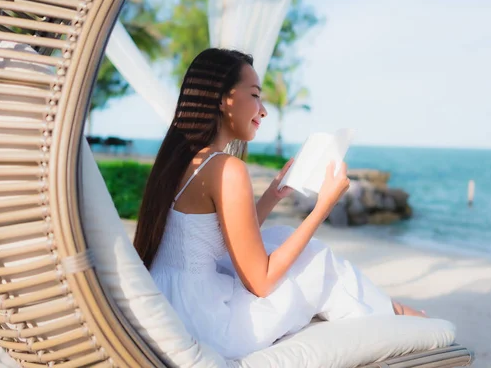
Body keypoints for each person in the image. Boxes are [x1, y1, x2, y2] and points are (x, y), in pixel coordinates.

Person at [133, 48, 425, 359]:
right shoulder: (226, 168)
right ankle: (397, 319)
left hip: (175, 306)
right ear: (224, 100)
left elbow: (209, 239)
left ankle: (393, 312)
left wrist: (272, 195)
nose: (263, 110)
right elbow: (260, 282)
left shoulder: (182, 161)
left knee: (280, 237)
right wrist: (322, 207)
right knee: (317, 261)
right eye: (255, 95)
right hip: (212, 328)